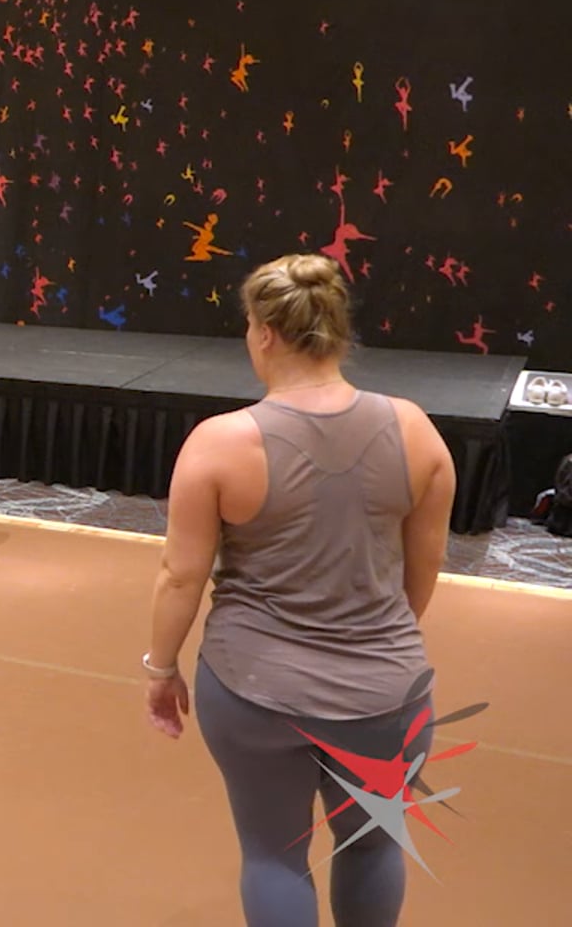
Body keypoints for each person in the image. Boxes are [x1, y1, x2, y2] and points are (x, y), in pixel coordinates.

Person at [144, 253, 457, 927]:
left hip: (254, 692)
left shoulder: (218, 444)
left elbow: (180, 576)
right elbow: (422, 570)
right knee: (373, 843)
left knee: (273, 856)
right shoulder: (417, 431)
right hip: (387, 693)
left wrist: (161, 668)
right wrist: (375, 647)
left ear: (264, 333)